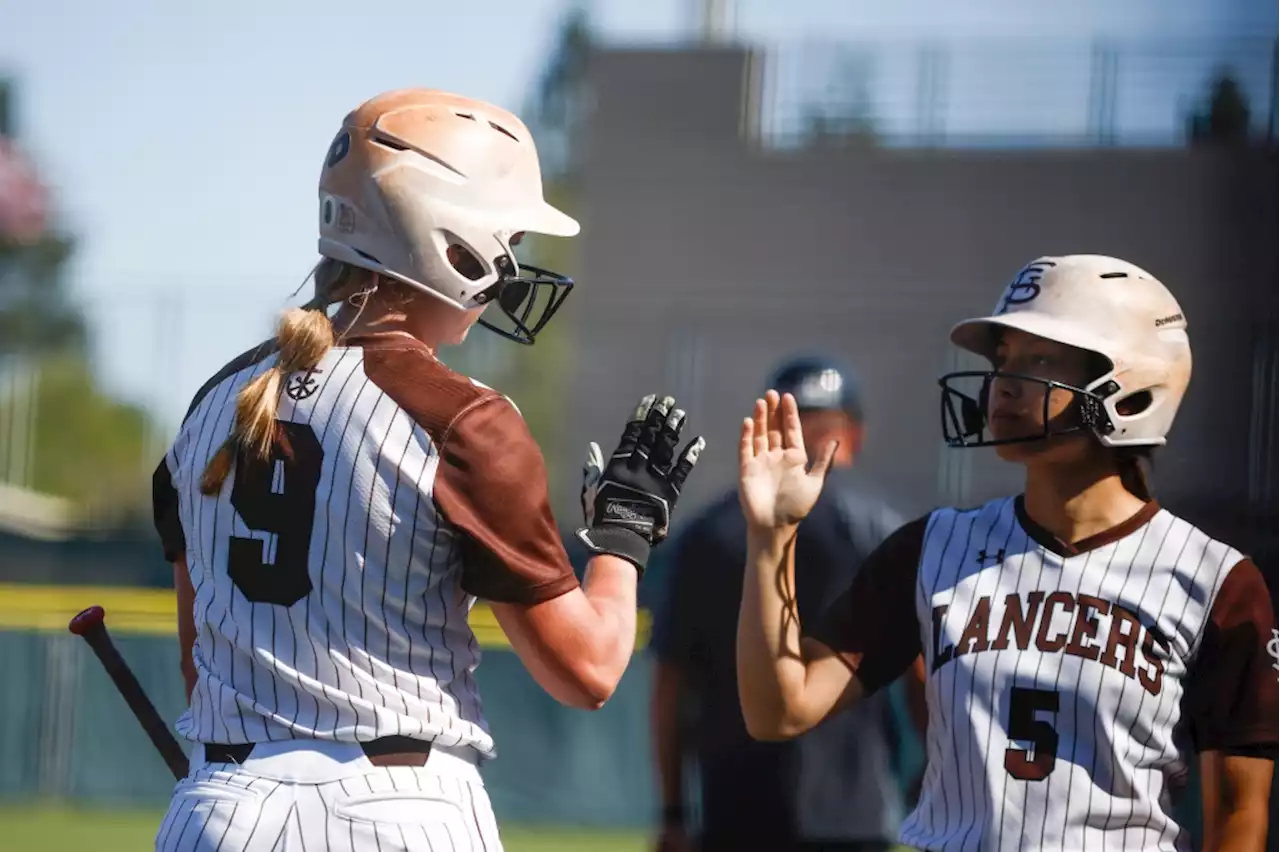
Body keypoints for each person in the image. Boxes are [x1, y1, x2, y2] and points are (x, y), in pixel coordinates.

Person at [148, 88, 705, 852]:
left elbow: (197, 664)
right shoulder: (461, 418)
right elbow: (589, 669)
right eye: (505, 236)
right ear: (448, 236)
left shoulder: (215, 403)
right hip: (396, 810)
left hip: (220, 809)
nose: (511, 262)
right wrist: (623, 538)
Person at [735, 254, 1280, 852]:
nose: (1004, 384)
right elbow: (779, 711)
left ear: (1132, 384)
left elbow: (1238, 821)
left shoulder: (1216, 583)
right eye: (1003, 361)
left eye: (1041, 358)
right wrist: (772, 537)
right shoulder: (932, 548)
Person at [650, 355, 925, 852]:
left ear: (770, 426)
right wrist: (934, 772)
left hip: (735, 807)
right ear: (855, 435)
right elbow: (921, 675)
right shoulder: (886, 530)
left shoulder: (707, 534)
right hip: (854, 812)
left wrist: (673, 812)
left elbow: (671, 687)